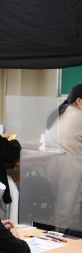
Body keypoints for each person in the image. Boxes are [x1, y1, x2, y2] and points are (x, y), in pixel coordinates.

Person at [44, 84, 82, 230]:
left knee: (65, 207)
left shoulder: (59, 113)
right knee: (67, 209)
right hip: (70, 165)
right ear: (79, 101)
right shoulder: (79, 116)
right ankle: (63, 242)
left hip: (53, 164)